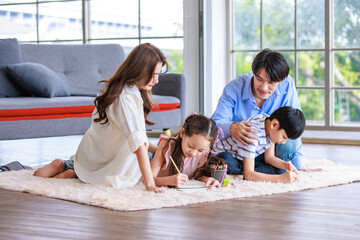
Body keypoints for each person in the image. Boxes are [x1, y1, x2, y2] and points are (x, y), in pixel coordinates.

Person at [33, 43, 168, 193]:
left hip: (94, 154)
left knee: (94, 169)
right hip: (107, 160)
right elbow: (138, 144)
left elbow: (138, 137)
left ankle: (69, 168)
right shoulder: (125, 98)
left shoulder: (126, 91)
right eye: (154, 74)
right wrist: (150, 185)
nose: (156, 80)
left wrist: (157, 149)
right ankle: (70, 169)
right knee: (136, 169)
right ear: (140, 69)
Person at [212, 49, 320, 173]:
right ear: (253, 73)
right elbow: (216, 123)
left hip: (266, 150)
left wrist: (299, 165)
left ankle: (247, 171)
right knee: (224, 161)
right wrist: (232, 127)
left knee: (288, 146)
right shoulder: (234, 88)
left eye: (271, 82)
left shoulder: (287, 85)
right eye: (259, 79)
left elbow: (293, 125)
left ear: (281, 80)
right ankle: (254, 171)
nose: (263, 87)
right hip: (237, 150)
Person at [215, 106, 305, 183]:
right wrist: (280, 179)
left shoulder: (268, 123)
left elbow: (269, 158)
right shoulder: (252, 134)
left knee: (281, 170)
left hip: (245, 157)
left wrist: (288, 166)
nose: (283, 142)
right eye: (284, 137)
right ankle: (236, 175)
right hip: (228, 157)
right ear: (274, 124)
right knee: (226, 161)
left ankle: (239, 175)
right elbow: (249, 174)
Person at [150, 114, 222, 189]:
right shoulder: (166, 145)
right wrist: (169, 180)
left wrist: (207, 180)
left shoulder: (204, 153)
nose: (193, 153)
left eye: (200, 150)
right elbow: (147, 180)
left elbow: (197, 175)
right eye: (190, 146)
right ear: (182, 133)